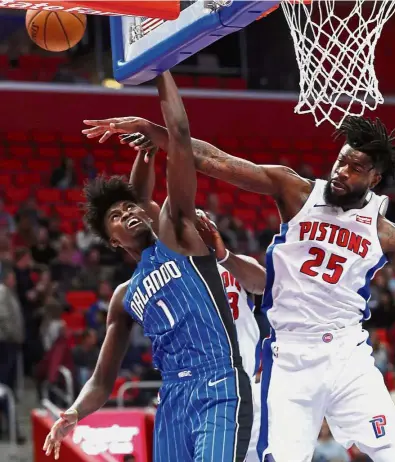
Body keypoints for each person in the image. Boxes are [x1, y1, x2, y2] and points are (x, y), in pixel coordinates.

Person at [84, 112, 395, 461]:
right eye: (341, 162)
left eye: (355, 169)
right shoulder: (296, 190)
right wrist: (154, 131)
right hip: (290, 354)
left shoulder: (388, 234)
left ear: (374, 179)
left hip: (348, 352)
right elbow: (213, 159)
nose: (341, 173)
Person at [43, 72, 253, 462]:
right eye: (117, 218)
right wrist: (73, 413)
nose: (128, 214)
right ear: (112, 242)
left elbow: (181, 135)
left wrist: (160, 67)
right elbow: (102, 380)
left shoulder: (180, 234)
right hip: (172, 397)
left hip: (220, 382)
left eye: (129, 208)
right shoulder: (124, 297)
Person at [117, 130, 266, 462]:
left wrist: (225, 256)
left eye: (203, 218)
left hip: (246, 385)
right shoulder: (176, 269)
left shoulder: (235, 265)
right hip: (203, 385)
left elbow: (266, 285)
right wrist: (149, 152)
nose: (197, 221)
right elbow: (143, 203)